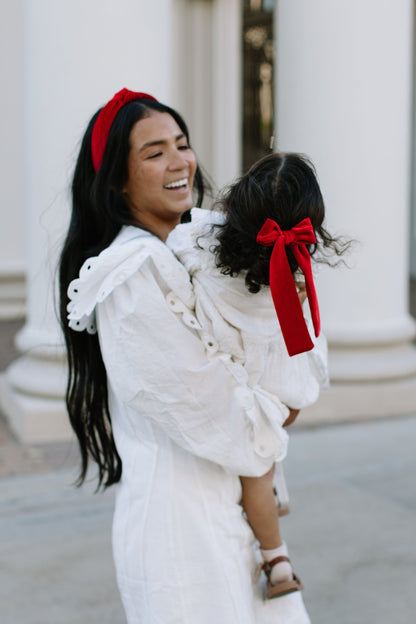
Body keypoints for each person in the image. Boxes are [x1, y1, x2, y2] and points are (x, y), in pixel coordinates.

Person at [59, 88, 312, 624]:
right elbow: (220, 417)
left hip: (235, 515)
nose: (180, 162)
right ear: (116, 182)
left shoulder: (194, 251)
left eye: (182, 143)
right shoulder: (128, 278)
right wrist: (282, 402)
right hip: (182, 535)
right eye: (154, 153)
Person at [167, 152, 343, 599]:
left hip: (241, 389)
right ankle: (275, 509)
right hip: (284, 391)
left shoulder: (201, 256)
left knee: (255, 476)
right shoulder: (300, 273)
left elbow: (185, 244)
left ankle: (276, 559)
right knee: (266, 461)